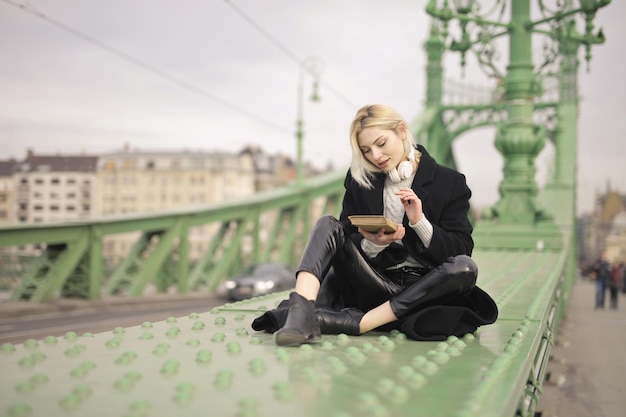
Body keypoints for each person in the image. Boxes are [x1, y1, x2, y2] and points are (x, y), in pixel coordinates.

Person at [251, 104, 498, 346]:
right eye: (366, 150)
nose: (375, 156)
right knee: (328, 224)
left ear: (402, 131)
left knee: (465, 267)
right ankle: (300, 313)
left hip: (423, 291)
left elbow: (461, 250)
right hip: (373, 282)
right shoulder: (361, 180)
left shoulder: (450, 181)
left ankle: (361, 323)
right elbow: (345, 238)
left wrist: (419, 222)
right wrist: (372, 243)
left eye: (381, 144)